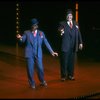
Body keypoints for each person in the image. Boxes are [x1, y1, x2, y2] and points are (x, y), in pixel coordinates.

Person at [16, 18, 58, 89]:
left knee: (40, 68)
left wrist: (52, 52)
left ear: (37, 26)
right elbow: (23, 39)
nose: (34, 27)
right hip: (29, 54)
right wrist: (20, 38)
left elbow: (46, 42)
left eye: (35, 25)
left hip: (38, 54)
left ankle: (42, 81)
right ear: (31, 26)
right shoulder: (27, 33)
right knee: (30, 69)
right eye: (33, 25)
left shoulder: (41, 33)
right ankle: (32, 83)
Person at [58, 9, 83, 81]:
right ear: (66, 17)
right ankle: (63, 76)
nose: (70, 17)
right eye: (68, 15)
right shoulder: (62, 23)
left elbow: (79, 33)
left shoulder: (76, 23)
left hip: (73, 46)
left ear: (72, 16)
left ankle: (71, 75)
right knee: (64, 62)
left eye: (71, 15)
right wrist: (61, 32)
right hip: (65, 46)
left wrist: (80, 42)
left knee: (71, 62)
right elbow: (59, 30)